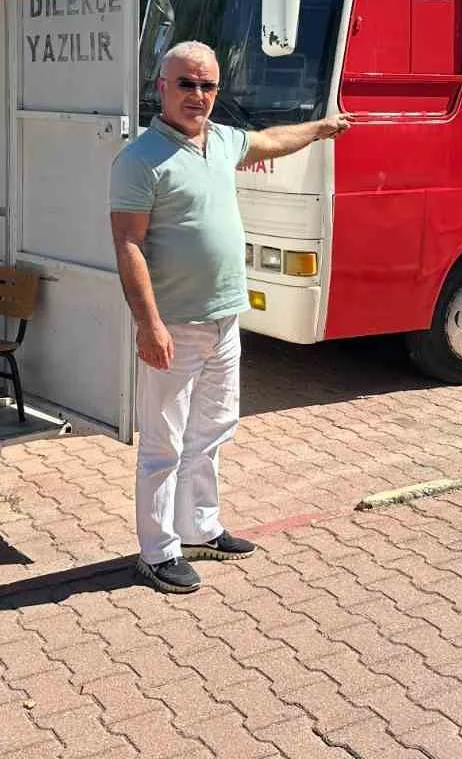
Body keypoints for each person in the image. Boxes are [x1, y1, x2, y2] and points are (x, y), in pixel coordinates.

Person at [109, 40, 351, 594]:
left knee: (213, 429)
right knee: (163, 442)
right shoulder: (139, 159)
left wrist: (320, 128)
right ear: (161, 88)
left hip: (224, 319)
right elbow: (128, 245)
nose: (198, 96)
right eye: (187, 84)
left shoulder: (220, 141)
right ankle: (158, 551)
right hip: (175, 323)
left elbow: (268, 139)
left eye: (208, 86)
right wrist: (149, 324)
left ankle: (200, 527)